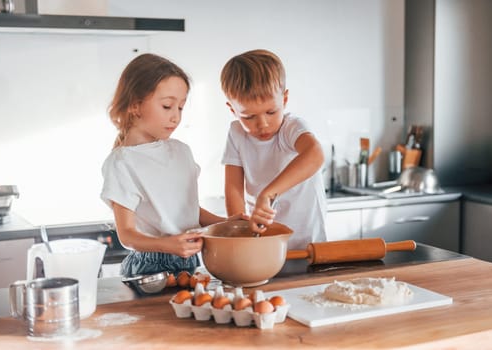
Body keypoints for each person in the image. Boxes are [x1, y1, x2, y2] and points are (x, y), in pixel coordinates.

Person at [101, 53, 237, 277]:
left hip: (190, 260)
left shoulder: (182, 151)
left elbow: (189, 212)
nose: (176, 117)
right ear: (135, 105)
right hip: (149, 268)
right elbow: (127, 236)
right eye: (167, 106)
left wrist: (229, 224)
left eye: (181, 108)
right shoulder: (122, 162)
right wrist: (168, 245)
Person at [220, 49, 327, 250]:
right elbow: (233, 188)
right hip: (265, 240)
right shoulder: (236, 133)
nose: (263, 124)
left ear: (284, 100)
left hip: (307, 241)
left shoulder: (291, 127)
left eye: (271, 112)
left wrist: (267, 194)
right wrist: (239, 227)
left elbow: (315, 154)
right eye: (248, 117)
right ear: (232, 110)